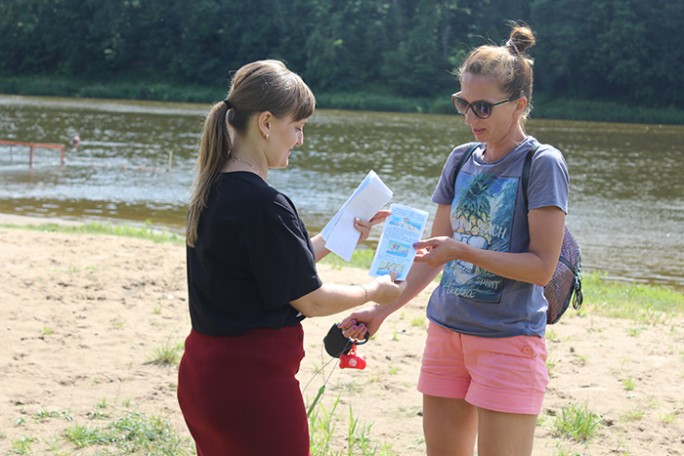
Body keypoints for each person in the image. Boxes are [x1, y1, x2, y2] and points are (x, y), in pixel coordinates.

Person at [341, 24, 569, 456]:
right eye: (463, 103)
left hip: (508, 341)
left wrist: (462, 250)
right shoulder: (461, 159)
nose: (469, 117)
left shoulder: (543, 164)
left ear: (519, 105)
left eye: (482, 107)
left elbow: (541, 266)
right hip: (445, 335)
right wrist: (380, 310)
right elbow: (434, 254)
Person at [177, 59, 404, 456]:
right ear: (266, 123)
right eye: (296, 128)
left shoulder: (215, 189)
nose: (299, 140)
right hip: (252, 387)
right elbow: (311, 299)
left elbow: (274, 269)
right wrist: (373, 290)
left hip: (205, 377)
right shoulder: (265, 204)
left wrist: (340, 235)